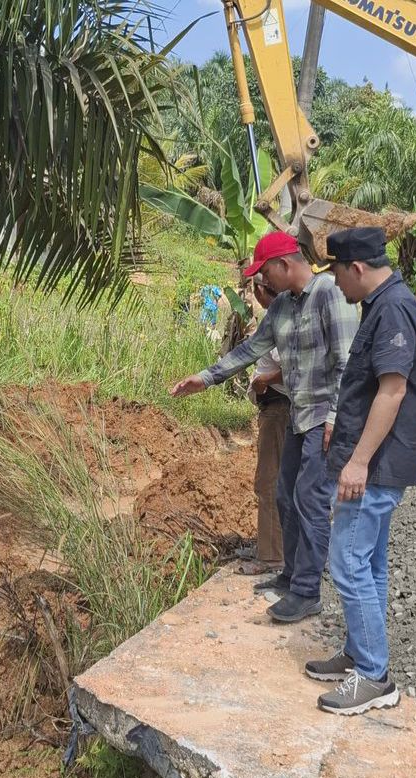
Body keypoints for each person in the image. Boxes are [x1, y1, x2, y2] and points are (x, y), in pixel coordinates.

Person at [170, 231, 358, 623]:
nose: (263, 282)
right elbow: (248, 350)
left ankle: (307, 592)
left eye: (265, 272)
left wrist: (336, 418)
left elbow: (348, 362)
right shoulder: (283, 308)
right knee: (285, 494)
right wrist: (204, 378)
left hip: (324, 418)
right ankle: (290, 575)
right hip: (298, 415)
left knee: (310, 499)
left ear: (284, 264)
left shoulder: (330, 294)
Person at [304, 226, 416, 716]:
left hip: (374, 466)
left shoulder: (393, 308)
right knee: (369, 564)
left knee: (348, 564)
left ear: (356, 268)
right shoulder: (383, 304)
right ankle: (359, 654)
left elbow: (393, 391)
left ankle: (373, 676)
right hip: (375, 462)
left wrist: (357, 461)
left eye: (336, 273)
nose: (335, 284)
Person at [238, 275, 289, 576]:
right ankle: (272, 547)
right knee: (274, 480)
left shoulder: (279, 319)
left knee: (269, 481)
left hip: (278, 407)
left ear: (260, 290)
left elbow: (292, 365)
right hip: (276, 407)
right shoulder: (282, 315)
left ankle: (271, 557)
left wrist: (262, 381)